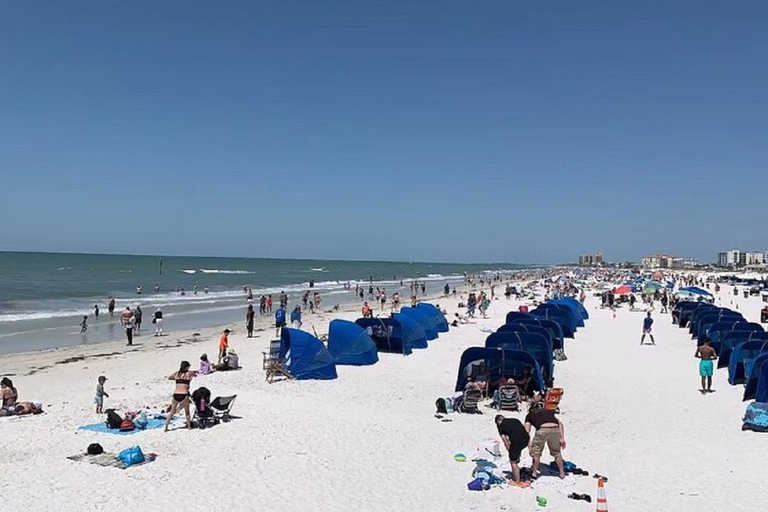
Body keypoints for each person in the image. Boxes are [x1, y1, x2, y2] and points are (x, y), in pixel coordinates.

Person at [524, 404, 566, 479]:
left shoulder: (529, 415)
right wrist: (562, 438)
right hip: (555, 429)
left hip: (542, 430)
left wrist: (530, 446)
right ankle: (562, 473)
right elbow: (560, 424)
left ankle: (534, 473)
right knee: (557, 453)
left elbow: (526, 432)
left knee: (536, 453)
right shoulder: (548, 411)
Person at [495, 415, 530, 485]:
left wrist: (510, 452)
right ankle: (517, 459)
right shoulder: (515, 419)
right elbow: (523, 431)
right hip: (526, 439)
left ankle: (517, 481)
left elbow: (505, 441)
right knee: (516, 450)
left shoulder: (500, 426)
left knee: (512, 461)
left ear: (498, 422)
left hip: (517, 441)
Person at [164, 361, 195, 432]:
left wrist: (177, 378)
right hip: (184, 394)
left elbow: (169, 378)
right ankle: (189, 427)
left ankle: (166, 427)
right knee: (187, 412)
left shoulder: (176, 374)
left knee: (172, 412)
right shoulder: (189, 373)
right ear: (187, 367)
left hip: (176, 394)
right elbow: (196, 374)